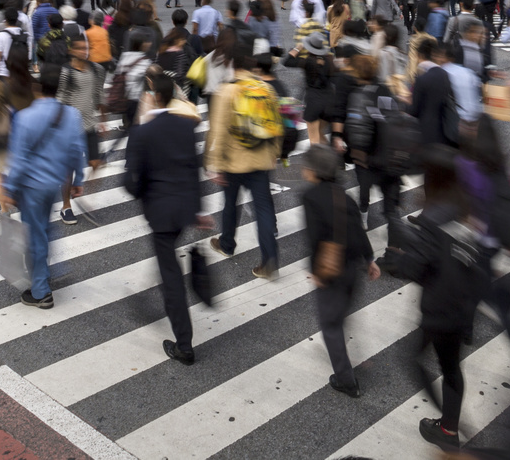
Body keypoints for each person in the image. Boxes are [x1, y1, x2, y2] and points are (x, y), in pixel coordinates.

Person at [391, 145, 484, 449]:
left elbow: (418, 267)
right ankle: (449, 425)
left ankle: (448, 428)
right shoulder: (465, 210)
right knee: (452, 369)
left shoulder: (432, 218)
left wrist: (399, 259)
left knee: (415, 359)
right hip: (461, 309)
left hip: (439, 310)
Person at [125, 69, 205, 365]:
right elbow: (193, 169)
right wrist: (197, 210)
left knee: (171, 276)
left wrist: (144, 193)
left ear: (154, 96)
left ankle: (184, 344)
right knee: (166, 260)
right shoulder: (185, 127)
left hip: (160, 213)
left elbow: (131, 182)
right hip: (183, 209)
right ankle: (156, 292)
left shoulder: (143, 131)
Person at [3, 63, 87, 308]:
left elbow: (18, 159)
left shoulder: (25, 116)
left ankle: (41, 291)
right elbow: (76, 151)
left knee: (35, 236)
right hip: (54, 183)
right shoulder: (71, 115)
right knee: (44, 231)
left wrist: (9, 190)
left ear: (38, 87)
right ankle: (47, 273)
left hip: (32, 186)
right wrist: (78, 180)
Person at [299, 143, 380, 397]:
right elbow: (358, 229)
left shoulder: (311, 197)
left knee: (330, 324)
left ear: (313, 171)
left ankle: (346, 380)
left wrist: (317, 271)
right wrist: (370, 260)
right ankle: (347, 360)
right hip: (353, 268)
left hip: (332, 272)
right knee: (340, 316)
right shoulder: (344, 196)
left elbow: (315, 238)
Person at [205, 47, 282, 278]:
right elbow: (277, 125)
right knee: (264, 209)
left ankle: (227, 244)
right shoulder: (266, 89)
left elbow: (216, 129)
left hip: (233, 161)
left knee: (230, 203)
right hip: (260, 159)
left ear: (232, 67)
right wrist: (274, 153)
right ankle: (269, 261)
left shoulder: (226, 91)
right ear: (252, 68)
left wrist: (212, 161)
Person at [52, 33, 106, 225]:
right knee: (68, 170)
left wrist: (103, 119)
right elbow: (60, 98)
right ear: (71, 51)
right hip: (70, 127)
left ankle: (83, 195)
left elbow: (99, 95)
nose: (85, 51)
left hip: (89, 123)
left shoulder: (96, 69)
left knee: (95, 163)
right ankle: (66, 206)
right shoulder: (67, 71)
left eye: (86, 48)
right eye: (81, 48)